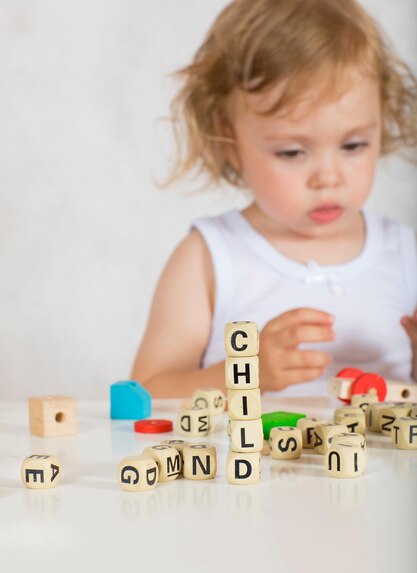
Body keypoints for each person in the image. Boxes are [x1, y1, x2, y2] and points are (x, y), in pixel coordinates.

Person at [131, 0, 417, 398]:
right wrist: (244, 373)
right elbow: (145, 393)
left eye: (353, 145)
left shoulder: (405, 254)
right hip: (250, 462)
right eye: (292, 153)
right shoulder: (210, 259)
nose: (328, 177)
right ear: (230, 144)